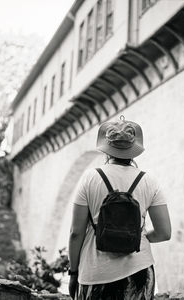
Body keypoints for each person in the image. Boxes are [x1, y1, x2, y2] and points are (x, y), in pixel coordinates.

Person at [68, 116, 171, 300]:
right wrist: (139, 235)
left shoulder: (89, 178)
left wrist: (73, 273)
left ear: (107, 150)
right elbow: (164, 233)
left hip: (95, 273)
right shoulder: (149, 181)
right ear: (133, 150)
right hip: (139, 271)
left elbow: (76, 233)